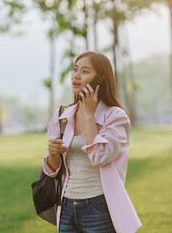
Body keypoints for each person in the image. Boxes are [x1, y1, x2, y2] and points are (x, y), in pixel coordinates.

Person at [42, 51, 142, 233]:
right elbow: (52, 170)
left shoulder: (115, 117)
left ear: (100, 79)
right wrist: (53, 153)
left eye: (85, 71)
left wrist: (89, 115)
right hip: (66, 206)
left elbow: (100, 157)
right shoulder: (62, 116)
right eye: (75, 69)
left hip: (98, 206)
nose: (76, 75)